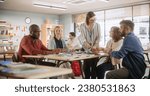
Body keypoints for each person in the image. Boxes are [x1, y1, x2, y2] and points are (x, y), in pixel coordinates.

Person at [79, 11, 101, 79]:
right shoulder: (82, 26)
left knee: (94, 67)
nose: (93, 21)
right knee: (86, 67)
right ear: (87, 19)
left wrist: (94, 46)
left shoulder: (97, 25)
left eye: (94, 19)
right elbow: (82, 38)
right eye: (91, 20)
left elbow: (98, 37)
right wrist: (88, 45)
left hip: (95, 49)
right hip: (86, 48)